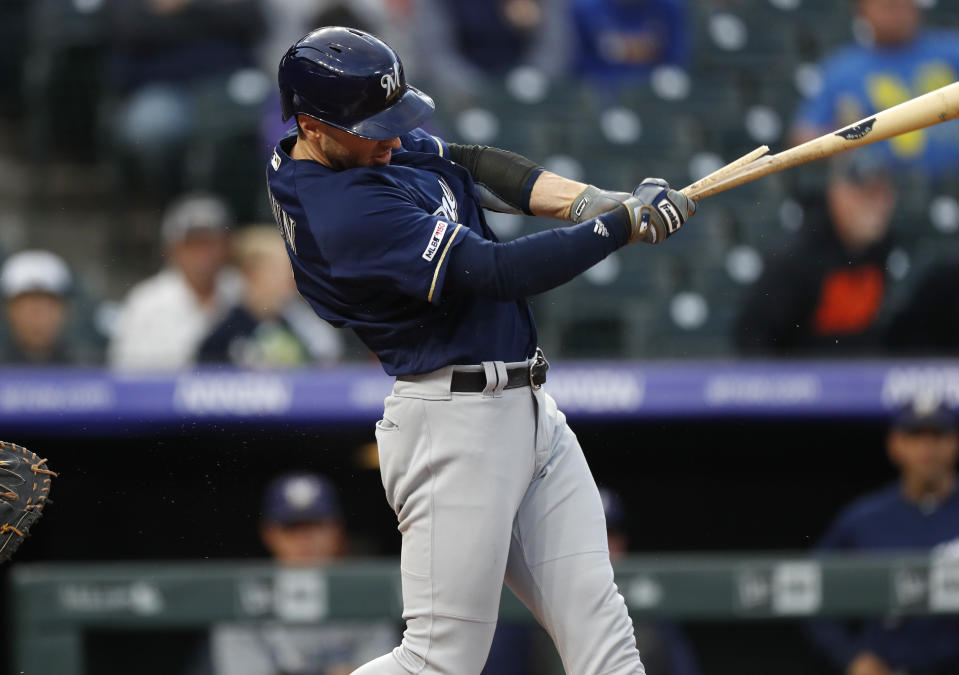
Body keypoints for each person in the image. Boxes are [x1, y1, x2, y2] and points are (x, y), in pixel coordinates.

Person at [266, 26, 696, 674]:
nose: (390, 136)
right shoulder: (342, 212)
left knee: (602, 632)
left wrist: (587, 203)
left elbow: (466, 162)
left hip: (526, 408)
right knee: (440, 660)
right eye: (371, 126)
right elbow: (496, 272)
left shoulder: (353, 145)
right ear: (311, 124)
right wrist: (618, 226)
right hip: (452, 422)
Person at [804, 397, 959, 675]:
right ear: (895, 445)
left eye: (937, 435)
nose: (927, 448)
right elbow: (808, 592)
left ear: (954, 443)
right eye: (914, 435)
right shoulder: (864, 519)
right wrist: (850, 658)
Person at [191, 472, 397, 674]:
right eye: (292, 527)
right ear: (269, 534)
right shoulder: (243, 596)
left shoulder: (365, 593)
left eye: (316, 525)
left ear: (336, 530)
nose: (305, 539)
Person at [733, 151, 897, 355]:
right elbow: (753, 334)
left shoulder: (882, 249)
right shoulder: (799, 255)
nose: (877, 206)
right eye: (865, 194)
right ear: (837, 194)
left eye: (882, 194)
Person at [790, 0, 959, 178]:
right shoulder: (842, 70)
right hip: (880, 185)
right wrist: (850, 138)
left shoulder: (952, 51)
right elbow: (803, 137)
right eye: (888, 7)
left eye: (905, 6)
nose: (897, 15)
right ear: (863, 11)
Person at [109, 192, 242, 371]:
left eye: (211, 243)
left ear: (227, 247)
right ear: (171, 248)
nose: (202, 254)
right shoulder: (146, 301)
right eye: (192, 244)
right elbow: (126, 377)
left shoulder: (242, 291)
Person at [197, 225, 342, 368]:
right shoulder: (224, 329)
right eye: (278, 270)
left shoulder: (306, 326)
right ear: (251, 273)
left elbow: (327, 367)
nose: (290, 277)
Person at [0, 250, 101, 365]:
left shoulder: (91, 367)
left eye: (48, 306)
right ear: (9, 310)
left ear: (64, 310)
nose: (38, 317)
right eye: (29, 307)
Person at [571, 0, 689, 93]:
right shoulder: (585, 8)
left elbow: (677, 60)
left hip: (656, 92)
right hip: (602, 91)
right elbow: (578, 67)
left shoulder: (669, 6)